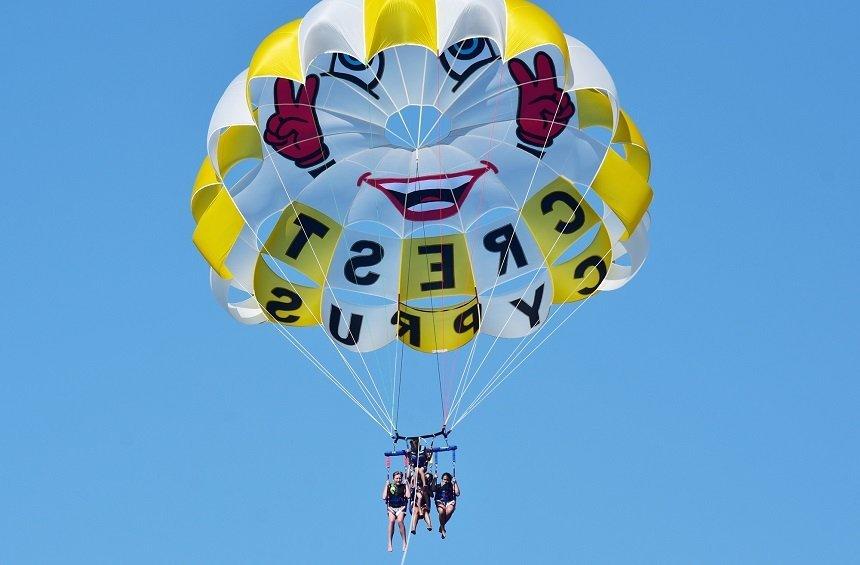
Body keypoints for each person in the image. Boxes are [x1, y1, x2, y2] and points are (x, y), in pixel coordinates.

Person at [382, 471, 411, 552]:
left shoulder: (403, 486)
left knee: (400, 521)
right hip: (391, 508)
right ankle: (390, 543)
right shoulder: (390, 485)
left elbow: (408, 496)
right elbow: (384, 497)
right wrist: (386, 485)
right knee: (391, 521)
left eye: (400, 478)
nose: (398, 480)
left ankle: (404, 543)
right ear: (393, 479)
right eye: (396, 478)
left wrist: (406, 485)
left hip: (401, 508)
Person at [434, 472, 459, 539]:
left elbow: (457, 493)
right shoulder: (438, 486)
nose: (445, 481)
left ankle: (442, 526)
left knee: (449, 511)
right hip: (440, 500)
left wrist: (455, 483)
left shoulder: (451, 486)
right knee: (441, 512)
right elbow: (432, 489)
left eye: (447, 480)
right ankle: (442, 528)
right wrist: (434, 479)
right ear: (442, 479)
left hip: (450, 501)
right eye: (444, 479)